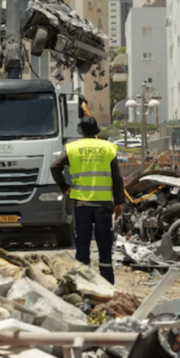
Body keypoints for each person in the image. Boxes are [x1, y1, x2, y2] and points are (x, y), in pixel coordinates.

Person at [50, 116, 124, 284]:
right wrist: (119, 202)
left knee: (82, 243)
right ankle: (107, 283)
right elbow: (117, 178)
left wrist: (65, 187)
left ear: (80, 132)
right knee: (104, 243)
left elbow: (54, 167)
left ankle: (83, 282)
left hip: (81, 204)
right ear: (96, 131)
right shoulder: (108, 148)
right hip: (104, 205)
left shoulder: (72, 148)